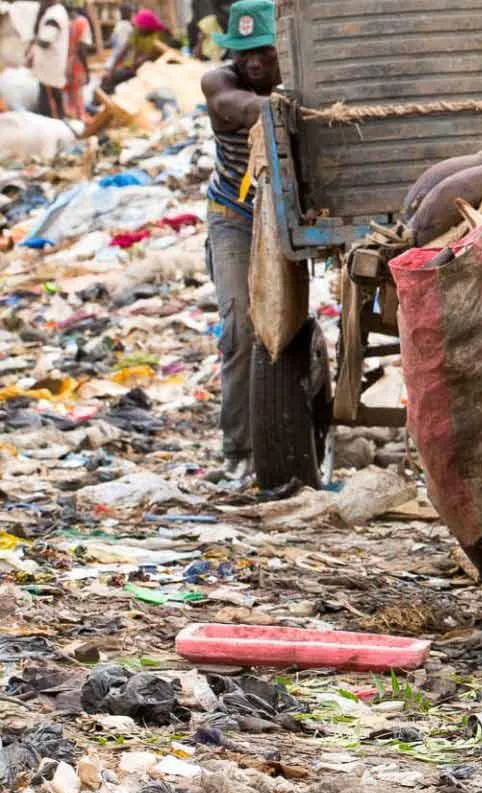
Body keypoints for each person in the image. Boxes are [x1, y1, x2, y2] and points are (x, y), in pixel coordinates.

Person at [199, 0, 277, 485]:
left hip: (281, 216)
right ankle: (239, 448)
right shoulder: (219, 83)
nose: (252, 62)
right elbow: (237, 108)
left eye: (263, 53)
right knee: (239, 331)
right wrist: (290, 103)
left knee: (280, 328)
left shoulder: (300, 73)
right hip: (234, 216)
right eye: (243, 52)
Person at [102, 7, 168, 95]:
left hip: (151, 70)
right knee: (107, 79)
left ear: (147, 26)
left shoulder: (158, 36)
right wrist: (112, 70)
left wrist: (138, 63)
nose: (138, 27)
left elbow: (152, 55)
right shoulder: (137, 32)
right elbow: (124, 50)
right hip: (134, 67)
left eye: (141, 25)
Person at [25, 0, 69, 117]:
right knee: (53, 98)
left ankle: (55, 125)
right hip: (49, 69)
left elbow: (46, 41)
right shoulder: (55, 11)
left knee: (49, 102)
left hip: (49, 69)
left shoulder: (54, 15)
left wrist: (31, 40)